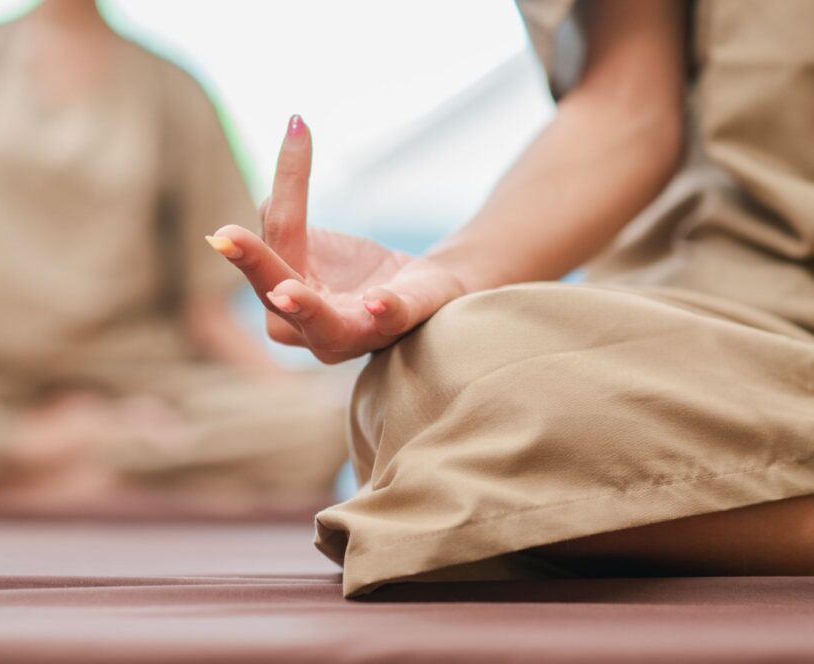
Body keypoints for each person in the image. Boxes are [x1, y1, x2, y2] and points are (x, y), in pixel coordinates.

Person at [208, 0, 814, 596]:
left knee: (440, 451)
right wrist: (438, 277)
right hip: (747, 330)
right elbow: (627, 105)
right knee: (444, 375)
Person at [0, 0, 345, 512]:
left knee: (326, 420)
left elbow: (207, 308)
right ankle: (64, 462)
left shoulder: (172, 89)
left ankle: (14, 479)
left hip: (135, 386)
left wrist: (305, 399)